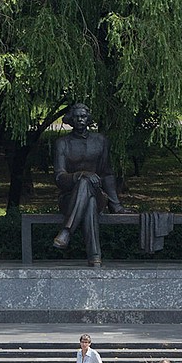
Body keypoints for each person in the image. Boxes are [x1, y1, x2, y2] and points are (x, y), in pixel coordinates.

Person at [51, 103, 133, 267]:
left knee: (90, 193)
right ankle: (95, 256)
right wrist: (80, 175)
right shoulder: (62, 143)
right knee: (87, 195)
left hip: (98, 194)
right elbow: (59, 178)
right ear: (70, 120)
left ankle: (67, 231)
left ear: (89, 119)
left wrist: (115, 205)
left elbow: (107, 174)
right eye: (76, 116)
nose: (80, 119)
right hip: (69, 199)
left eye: (83, 116)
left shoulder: (100, 141)